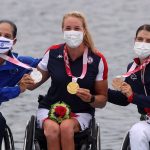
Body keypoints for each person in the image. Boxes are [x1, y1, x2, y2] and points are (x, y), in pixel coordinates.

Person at [26, 11, 108, 150]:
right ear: (62, 30)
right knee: (52, 129)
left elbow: (102, 100)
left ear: (84, 31)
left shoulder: (97, 59)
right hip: (50, 108)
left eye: (77, 29)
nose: (72, 32)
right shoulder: (52, 53)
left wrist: (91, 98)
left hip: (81, 111)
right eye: (68, 28)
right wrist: (21, 77)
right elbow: (31, 85)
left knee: (66, 127)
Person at [108, 24, 150, 150]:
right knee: (137, 131)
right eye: (140, 39)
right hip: (147, 121)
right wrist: (100, 90)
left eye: (148, 41)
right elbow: (124, 99)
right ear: (134, 40)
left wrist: (133, 96)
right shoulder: (132, 67)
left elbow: (132, 97)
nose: (143, 43)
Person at [0, 20, 40, 147]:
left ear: (14, 42)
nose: (2, 39)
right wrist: (19, 89)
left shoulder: (19, 64)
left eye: (7, 36)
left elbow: (49, 62)